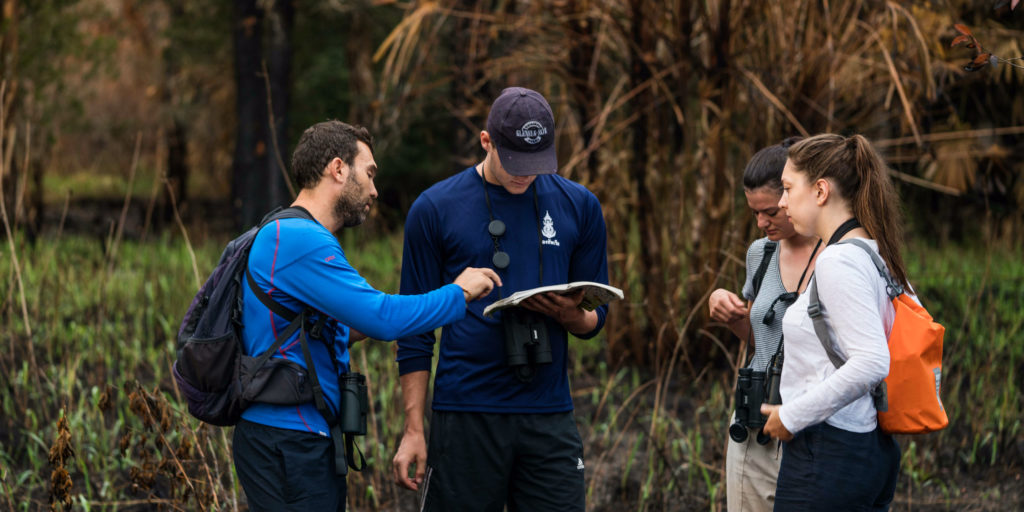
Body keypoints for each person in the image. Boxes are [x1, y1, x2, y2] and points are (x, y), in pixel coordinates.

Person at [232, 120, 501, 511]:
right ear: (338, 169)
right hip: (289, 441)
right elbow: (383, 317)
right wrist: (459, 292)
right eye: (369, 173)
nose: (375, 189)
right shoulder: (301, 241)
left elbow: (314, 328)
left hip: (286, 437)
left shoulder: (285, 231)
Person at [392, 87, 610, 511]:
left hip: (549, 413)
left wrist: (571, 316)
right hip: (466, 412)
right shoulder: (434, 208)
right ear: (486, 140)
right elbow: (414, 331)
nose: (524, 175)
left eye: (536, 164)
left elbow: (595, 317)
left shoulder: (580, 206)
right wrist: (414, 428)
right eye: (514, 162)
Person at [761, 134, 904, 509]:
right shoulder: (875, 253)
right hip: (868, 447)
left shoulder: (838, 260)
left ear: (821, 190)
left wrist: (791, 415)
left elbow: (872, 360)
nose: (781, 201)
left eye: (789, 188)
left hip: (827, 452)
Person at [707, 137, 820, 512]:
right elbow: (763, 341)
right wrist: (732, 315)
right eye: (754, 213)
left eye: (770, 211)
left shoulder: (840, 255)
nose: (761, 222)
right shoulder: (761, 252)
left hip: (813, 425)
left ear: (795, 194)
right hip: (756, 421)